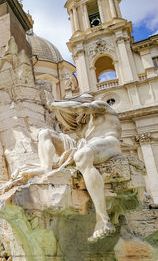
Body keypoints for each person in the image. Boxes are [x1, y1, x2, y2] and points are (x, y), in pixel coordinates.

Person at [23, 94, 121, 242]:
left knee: (82, 155)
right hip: (85, 145)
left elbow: (80, 107)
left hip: (107, 142)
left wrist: (53, 104)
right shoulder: (82, 125)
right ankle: (45, 167)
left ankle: (103, 220)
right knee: (45, 133)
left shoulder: (101, 106)